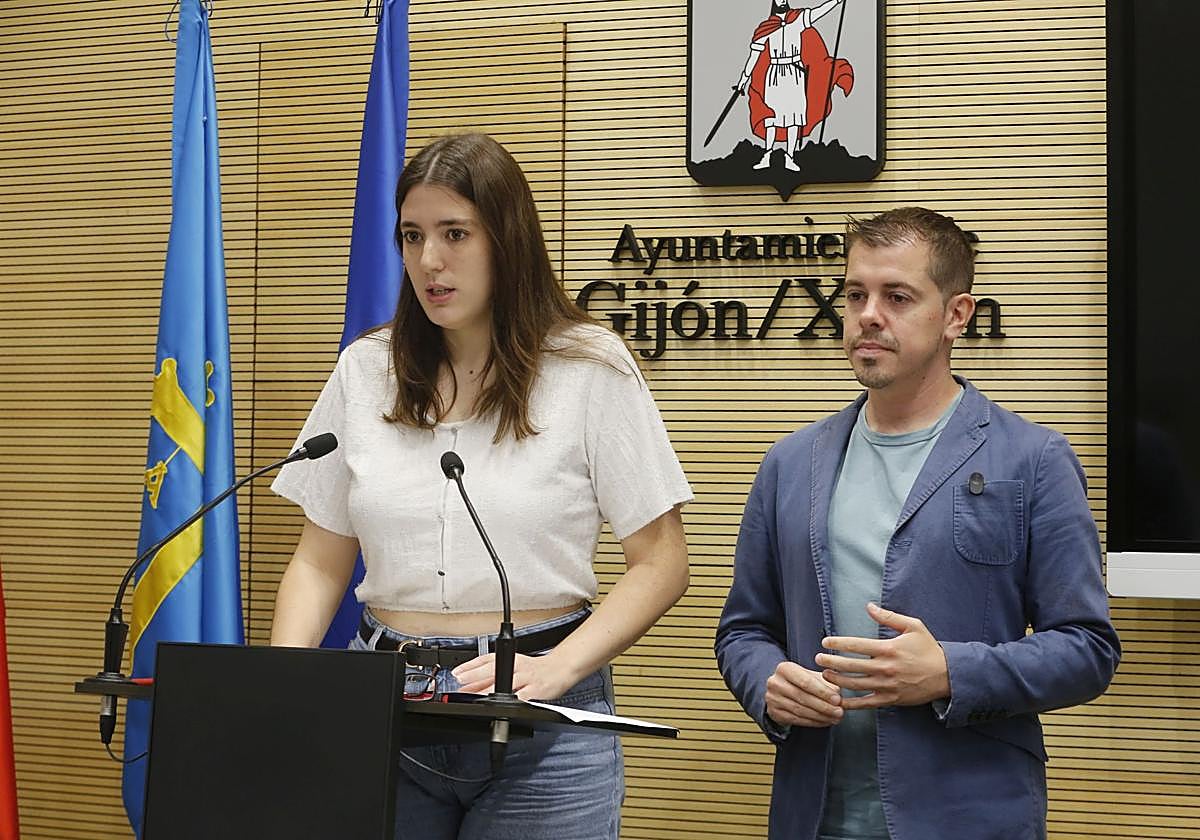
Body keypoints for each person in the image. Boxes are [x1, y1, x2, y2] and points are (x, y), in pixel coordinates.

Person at [270, 133, 691, 840]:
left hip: (540, 717)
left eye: (454, 234)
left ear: (507, 239)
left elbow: (662, 564)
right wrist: (282, 683)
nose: (429, 261)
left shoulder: (591, 368)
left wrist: (559, 669)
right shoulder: (365, 369)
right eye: (412, 236)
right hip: (384, 706)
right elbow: (320, 559)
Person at [714, 207, 1120, 840]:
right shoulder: (790, 465)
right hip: (813, 815)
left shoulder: (1033, 459)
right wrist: (765, 682)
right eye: (855, 295)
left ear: (957, 315)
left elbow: (1088, 648)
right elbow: (742, 631)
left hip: (969, 817)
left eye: (897, 296)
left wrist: (950, 673)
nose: (869, 315)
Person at [737, 0, 848, 170]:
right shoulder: (766, 27)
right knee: (771, 117)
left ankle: (790, 157)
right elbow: (755, 56)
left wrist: (836, 1)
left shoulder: (798, 19)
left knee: (794, 118)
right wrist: (743, 80)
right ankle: (767, 155)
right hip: (774, 73)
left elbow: (819, 12)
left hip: (794, 74)